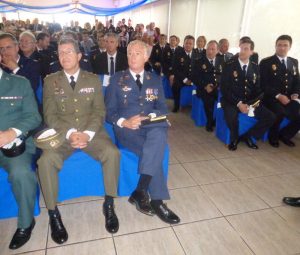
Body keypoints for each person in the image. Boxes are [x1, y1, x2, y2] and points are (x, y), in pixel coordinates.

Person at [37, 37, 120, 245]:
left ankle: (109, 204)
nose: (64, 56)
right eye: (61, 53)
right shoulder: (50, 80)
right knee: (45, 162)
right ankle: (53, 214)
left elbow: (99, 111)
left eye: (69, 52)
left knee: (112, 153)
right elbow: (50, 115)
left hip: (91, 132)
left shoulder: (92, 80)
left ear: (79, 56)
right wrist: (71, 132)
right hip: (62, 133)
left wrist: (88, 134)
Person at [105, 40, 180, 224]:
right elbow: (108, 112)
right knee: (156, 148)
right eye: (130, 53)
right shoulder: (117, 79)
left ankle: (141, 190)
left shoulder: (155, 79)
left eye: (137, 53)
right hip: (127, 130)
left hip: (151, 125)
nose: (132, 56)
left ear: (146, 57)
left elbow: (163, 107)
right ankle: (157, 201)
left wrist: (152, 116)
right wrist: (125, 122)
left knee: (158, 133)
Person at [0, 55, 41, 249]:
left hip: (15, 144)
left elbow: (34, 117)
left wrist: (11, 133)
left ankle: (25, 223)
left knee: (21, 173)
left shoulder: (19, 83)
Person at [220, 37, 275, 151]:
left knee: (270, 117)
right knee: (231, 116)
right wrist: (239, 103)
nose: (243, 51)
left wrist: (251, 104)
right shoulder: (229, 65)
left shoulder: (255, 67)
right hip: (231, 100)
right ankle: (234, 138)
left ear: (251, 52)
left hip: (250, 101)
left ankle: (249, 136)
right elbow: (225, 89)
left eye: (246, 49)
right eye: (241, 48)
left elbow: (258, 90)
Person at [260, 35, 300, 147]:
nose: (282, 48)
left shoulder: (294, 62)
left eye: (285, 45)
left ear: (290, 47)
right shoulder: (266, 62)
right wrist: (278, 96)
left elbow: (297, 80)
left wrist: (296, 93)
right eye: (279, 45)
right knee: (280, 112)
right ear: (275, 46)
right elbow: (263, 84)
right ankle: (273, 136)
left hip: (289, 97)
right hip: (271, 98)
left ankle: (285, 135)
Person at [192, 40, 223, 132]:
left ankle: (217, 120)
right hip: (203, 88)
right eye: (208, 49)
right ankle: (209, 122)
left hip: (217, 88)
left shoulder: (221, 61)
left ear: (217, 51)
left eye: (213, 49)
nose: (210, 51)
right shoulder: (199, 61)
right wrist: (205, 86)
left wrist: (220, 86)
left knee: (225, 99)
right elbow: (195, 77)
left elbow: (224, 76)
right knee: (208, 101)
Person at [172, 35, 196, 112]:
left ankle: (193, 105)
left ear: (193, 45)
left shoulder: (196, 54)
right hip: (181, 78)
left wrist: (192, 80)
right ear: (183, 43)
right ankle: (176, 105)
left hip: (193, 78)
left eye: (190, 43)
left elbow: (197, 69)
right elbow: (175, 69)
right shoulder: (178, 53)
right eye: (187, 43)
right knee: (175, 86)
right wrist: (185, 80)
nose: (188, 45)